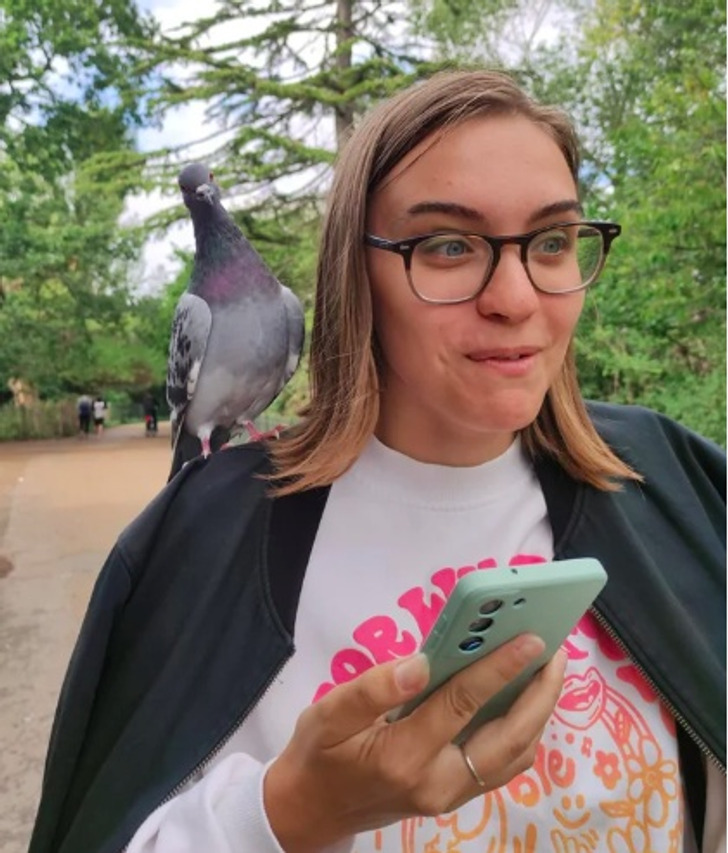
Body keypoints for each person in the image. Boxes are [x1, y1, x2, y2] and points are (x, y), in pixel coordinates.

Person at [29, 70, 725, 853]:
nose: (516, 297)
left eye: (553, 240)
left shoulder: (677, 483)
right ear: (354, 275)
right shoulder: (199, 538)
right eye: (450, 245)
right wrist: (289, 812)